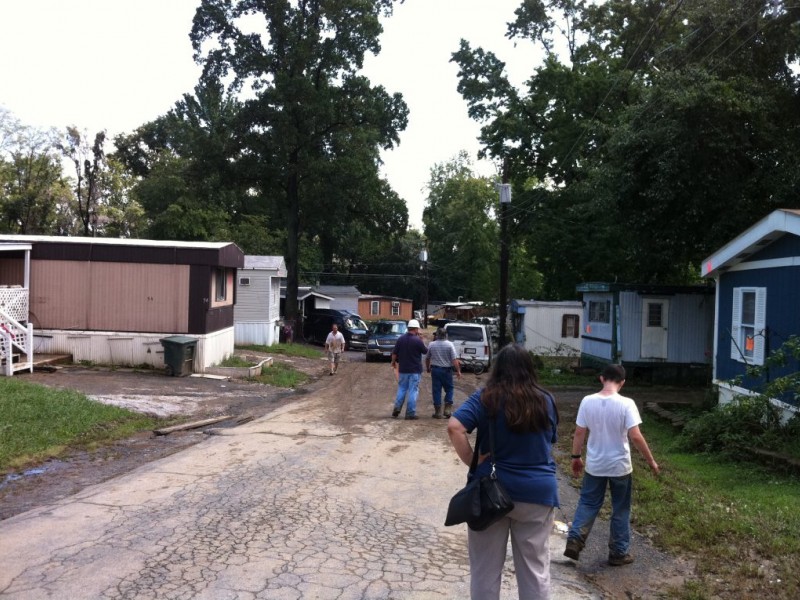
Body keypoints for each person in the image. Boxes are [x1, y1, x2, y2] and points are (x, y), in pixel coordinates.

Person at [447, 344, 559, 600]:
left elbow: (455, 427)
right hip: (537, 494)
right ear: (529, 369)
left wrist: (471, 462)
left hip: (490, 492)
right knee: (535, 571)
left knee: (485, 571)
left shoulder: (486, 397)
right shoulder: (547, 400)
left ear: (497, 369)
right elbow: (550, 442)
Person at [564, 363, 660, 566]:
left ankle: (574, 540)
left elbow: (580, 432)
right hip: (620, 466)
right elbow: (635, 436)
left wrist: (575, 457)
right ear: (622, 382)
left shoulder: (587, 401)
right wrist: (651, 461)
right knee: (621, 509)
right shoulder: (627, 404)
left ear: (601, 378)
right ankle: (618, 553)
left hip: (595, 466)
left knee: (588, 503)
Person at [390, 318, 428, 420]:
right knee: (413, 391)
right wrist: (421, 339)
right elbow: (425, 351)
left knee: (402, 389)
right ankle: (410, 413)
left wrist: (393, 363)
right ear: (416, 329)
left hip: (403, 370)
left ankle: (396, 410)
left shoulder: (400, 339)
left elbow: (394, 353)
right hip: (415, 370)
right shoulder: (417, 340)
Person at [425, 327, 461, 419]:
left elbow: (427, 358)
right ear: (446, 335)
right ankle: (447, 410)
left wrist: (428, 368)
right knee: (449, 389)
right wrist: (458, 370)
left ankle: (437, 412)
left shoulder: (432, 344)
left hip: (435, 370)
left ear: (437, 335)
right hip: (447, 371)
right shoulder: (450, 345)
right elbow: (454, 359)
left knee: (436, 390)